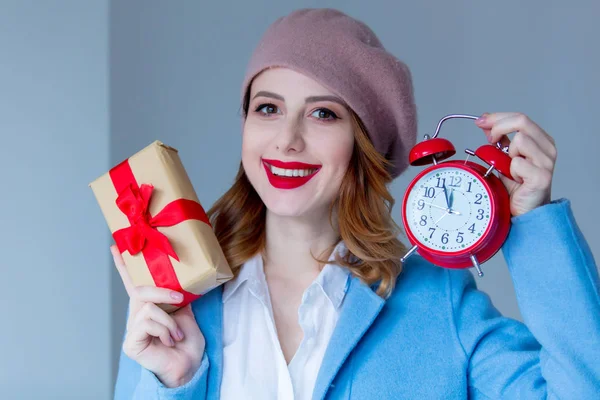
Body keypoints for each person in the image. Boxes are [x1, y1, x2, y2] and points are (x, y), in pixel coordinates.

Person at [112, 8, 599, 400]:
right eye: (268, 108)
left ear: (364, 146)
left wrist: (535, 220)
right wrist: (174, 386)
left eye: (323, 113)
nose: (287, 139)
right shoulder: (181, 304)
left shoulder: (438, 302)